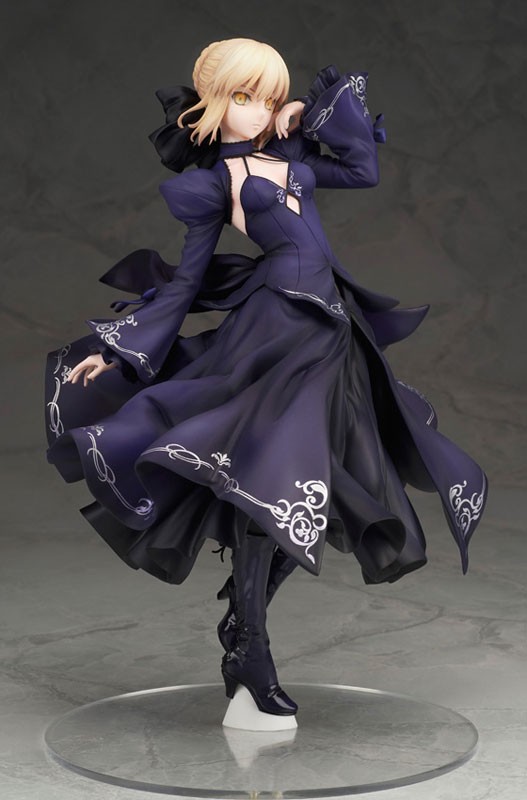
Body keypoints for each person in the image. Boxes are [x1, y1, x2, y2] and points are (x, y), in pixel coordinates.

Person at [45, 38, 487, 717]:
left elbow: (362, 168)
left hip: (332, 326)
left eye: (269, 96)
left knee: (331, 477)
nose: (259, 109)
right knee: (269, 473)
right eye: (245, 96)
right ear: (213, 104)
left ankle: (243, 612)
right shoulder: (209, 184)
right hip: (273, 331)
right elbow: (186, 280)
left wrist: (305, 115)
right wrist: (122, 351)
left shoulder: (292, 158)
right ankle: (249, 645)